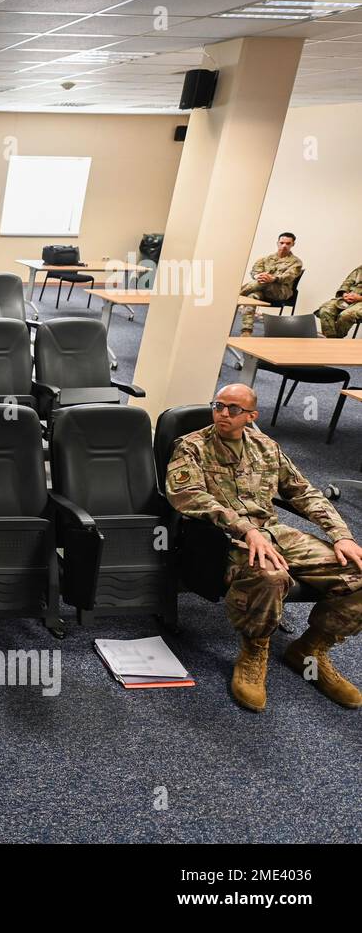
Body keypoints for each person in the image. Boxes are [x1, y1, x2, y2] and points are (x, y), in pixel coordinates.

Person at [165, 384, 362, 712]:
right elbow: (187, 496)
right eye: (219, 405)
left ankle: (311, 649)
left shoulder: (266, 447)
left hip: (275, 533)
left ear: (251, 416)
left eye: (233, 409)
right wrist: (244, 528)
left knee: (356, 571)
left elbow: (304, 492)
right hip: (224, 538)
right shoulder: (192, 446)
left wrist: (342, 534)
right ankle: (254, 652)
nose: (223, 413)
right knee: (270, 575)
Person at [237, 232, 303, 336]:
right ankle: (246, 331)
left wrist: (273, 278)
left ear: (293, 244)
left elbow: (289, 276)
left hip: (281, 291)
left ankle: (234, 297)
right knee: (252, 296)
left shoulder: (296, 262)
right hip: (262, 289)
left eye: (288, 243)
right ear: (277, 243)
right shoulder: (265, 259)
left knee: (265, 283)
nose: (284, 245)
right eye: (282, 243)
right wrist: (257, 276)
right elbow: (254, 271)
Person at [318, 264, 362, 338]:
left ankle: (336, 341)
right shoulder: (360, 269)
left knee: (346, 315)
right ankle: (331, 341)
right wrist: (344, 293)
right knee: (325, 310)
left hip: (360, 301)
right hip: (350, 298)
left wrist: (359, 298)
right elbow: (347, 282)